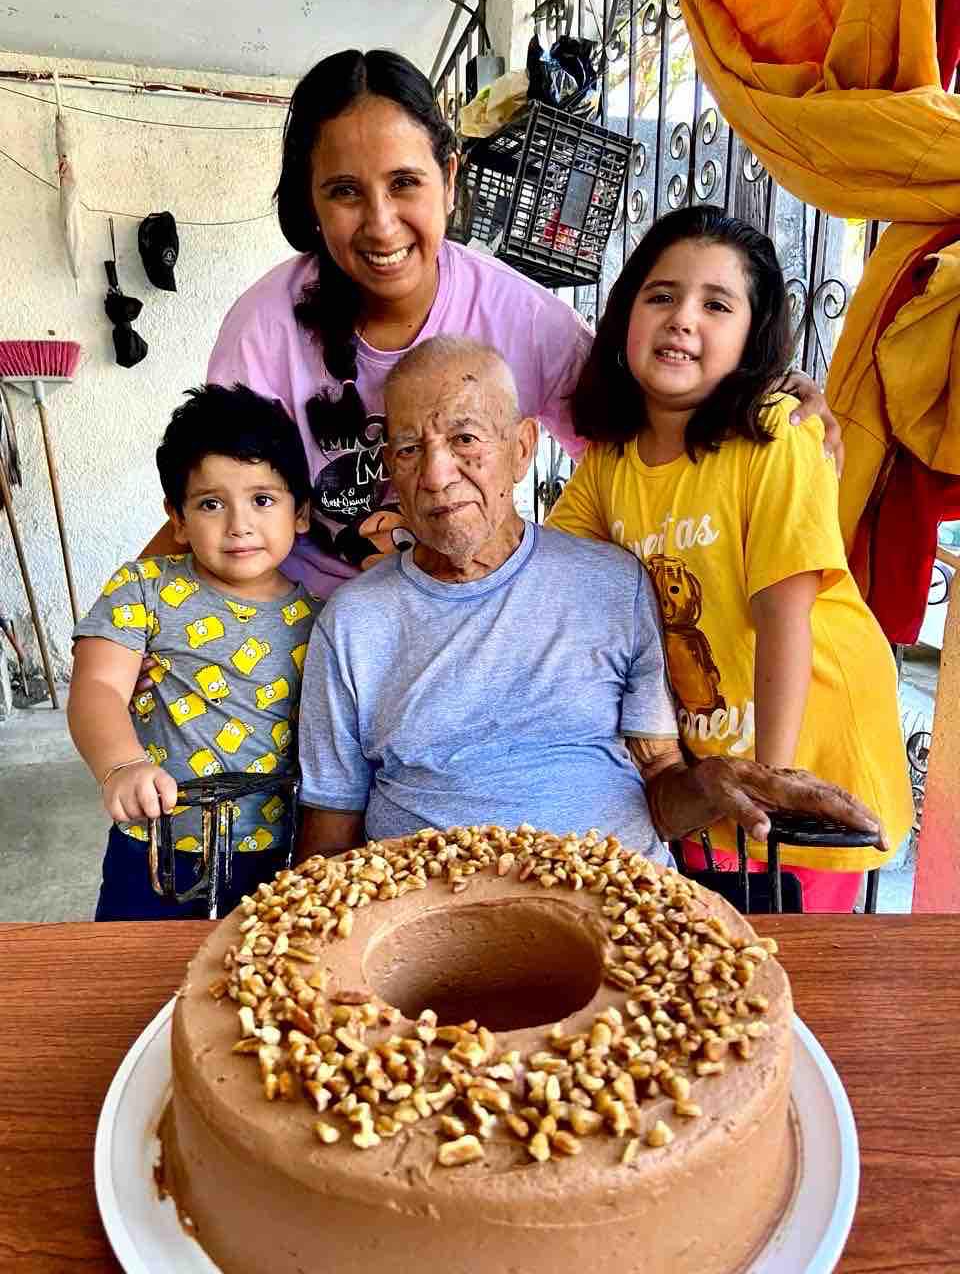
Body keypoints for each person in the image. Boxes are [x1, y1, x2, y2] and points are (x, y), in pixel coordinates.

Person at [140, 47, 838, 596]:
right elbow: (214, 498)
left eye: (404, 183)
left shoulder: (523, 320)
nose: (381, 224)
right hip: (298, 628)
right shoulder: (264, 327)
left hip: (467, 617)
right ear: (312, 204)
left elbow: (642, 435)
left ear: (449, 179)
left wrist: (762, 396)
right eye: (345, 192)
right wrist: (120, 627)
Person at [295, 335, 880, 867]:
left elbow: (660, 783)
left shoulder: (611, 584)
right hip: (427, 915)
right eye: (408, 450)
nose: (436, 474)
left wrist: (716, 780)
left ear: (522, 448)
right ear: (389, 471)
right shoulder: (353, 622)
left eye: (465, 439)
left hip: (613, 901)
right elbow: (329, 831)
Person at [547, 206, 913, 912]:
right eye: (661, 296)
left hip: (809, 754)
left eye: (717, 305)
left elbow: (783, 616)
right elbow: (548, 569)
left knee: (795, 956)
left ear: (751, 339)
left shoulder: (776, 435)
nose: (683, 319)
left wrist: (774, 779)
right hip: (712, 771)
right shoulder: (611, 462)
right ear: (625, 317)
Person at [69, 384, 318, 920]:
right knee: (130, 968)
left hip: (274, 855)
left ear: (301, 512)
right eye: (211, 504)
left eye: (263, 499)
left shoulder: (324, 620)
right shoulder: (144, 588)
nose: (239, 525)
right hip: (153, 848)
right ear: (177, 519)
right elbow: (97, 685)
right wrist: (121, 765)